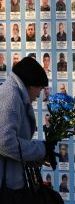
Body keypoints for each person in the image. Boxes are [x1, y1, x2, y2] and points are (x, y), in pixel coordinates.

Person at [0, 57, 57, 195]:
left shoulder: (16, 94)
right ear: (31, 84)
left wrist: (38, 157)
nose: (39, 95)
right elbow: (5, 142)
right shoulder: (10, 96)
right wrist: (41, 149)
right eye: (40, 89)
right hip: (5, 187)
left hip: (10, 182)